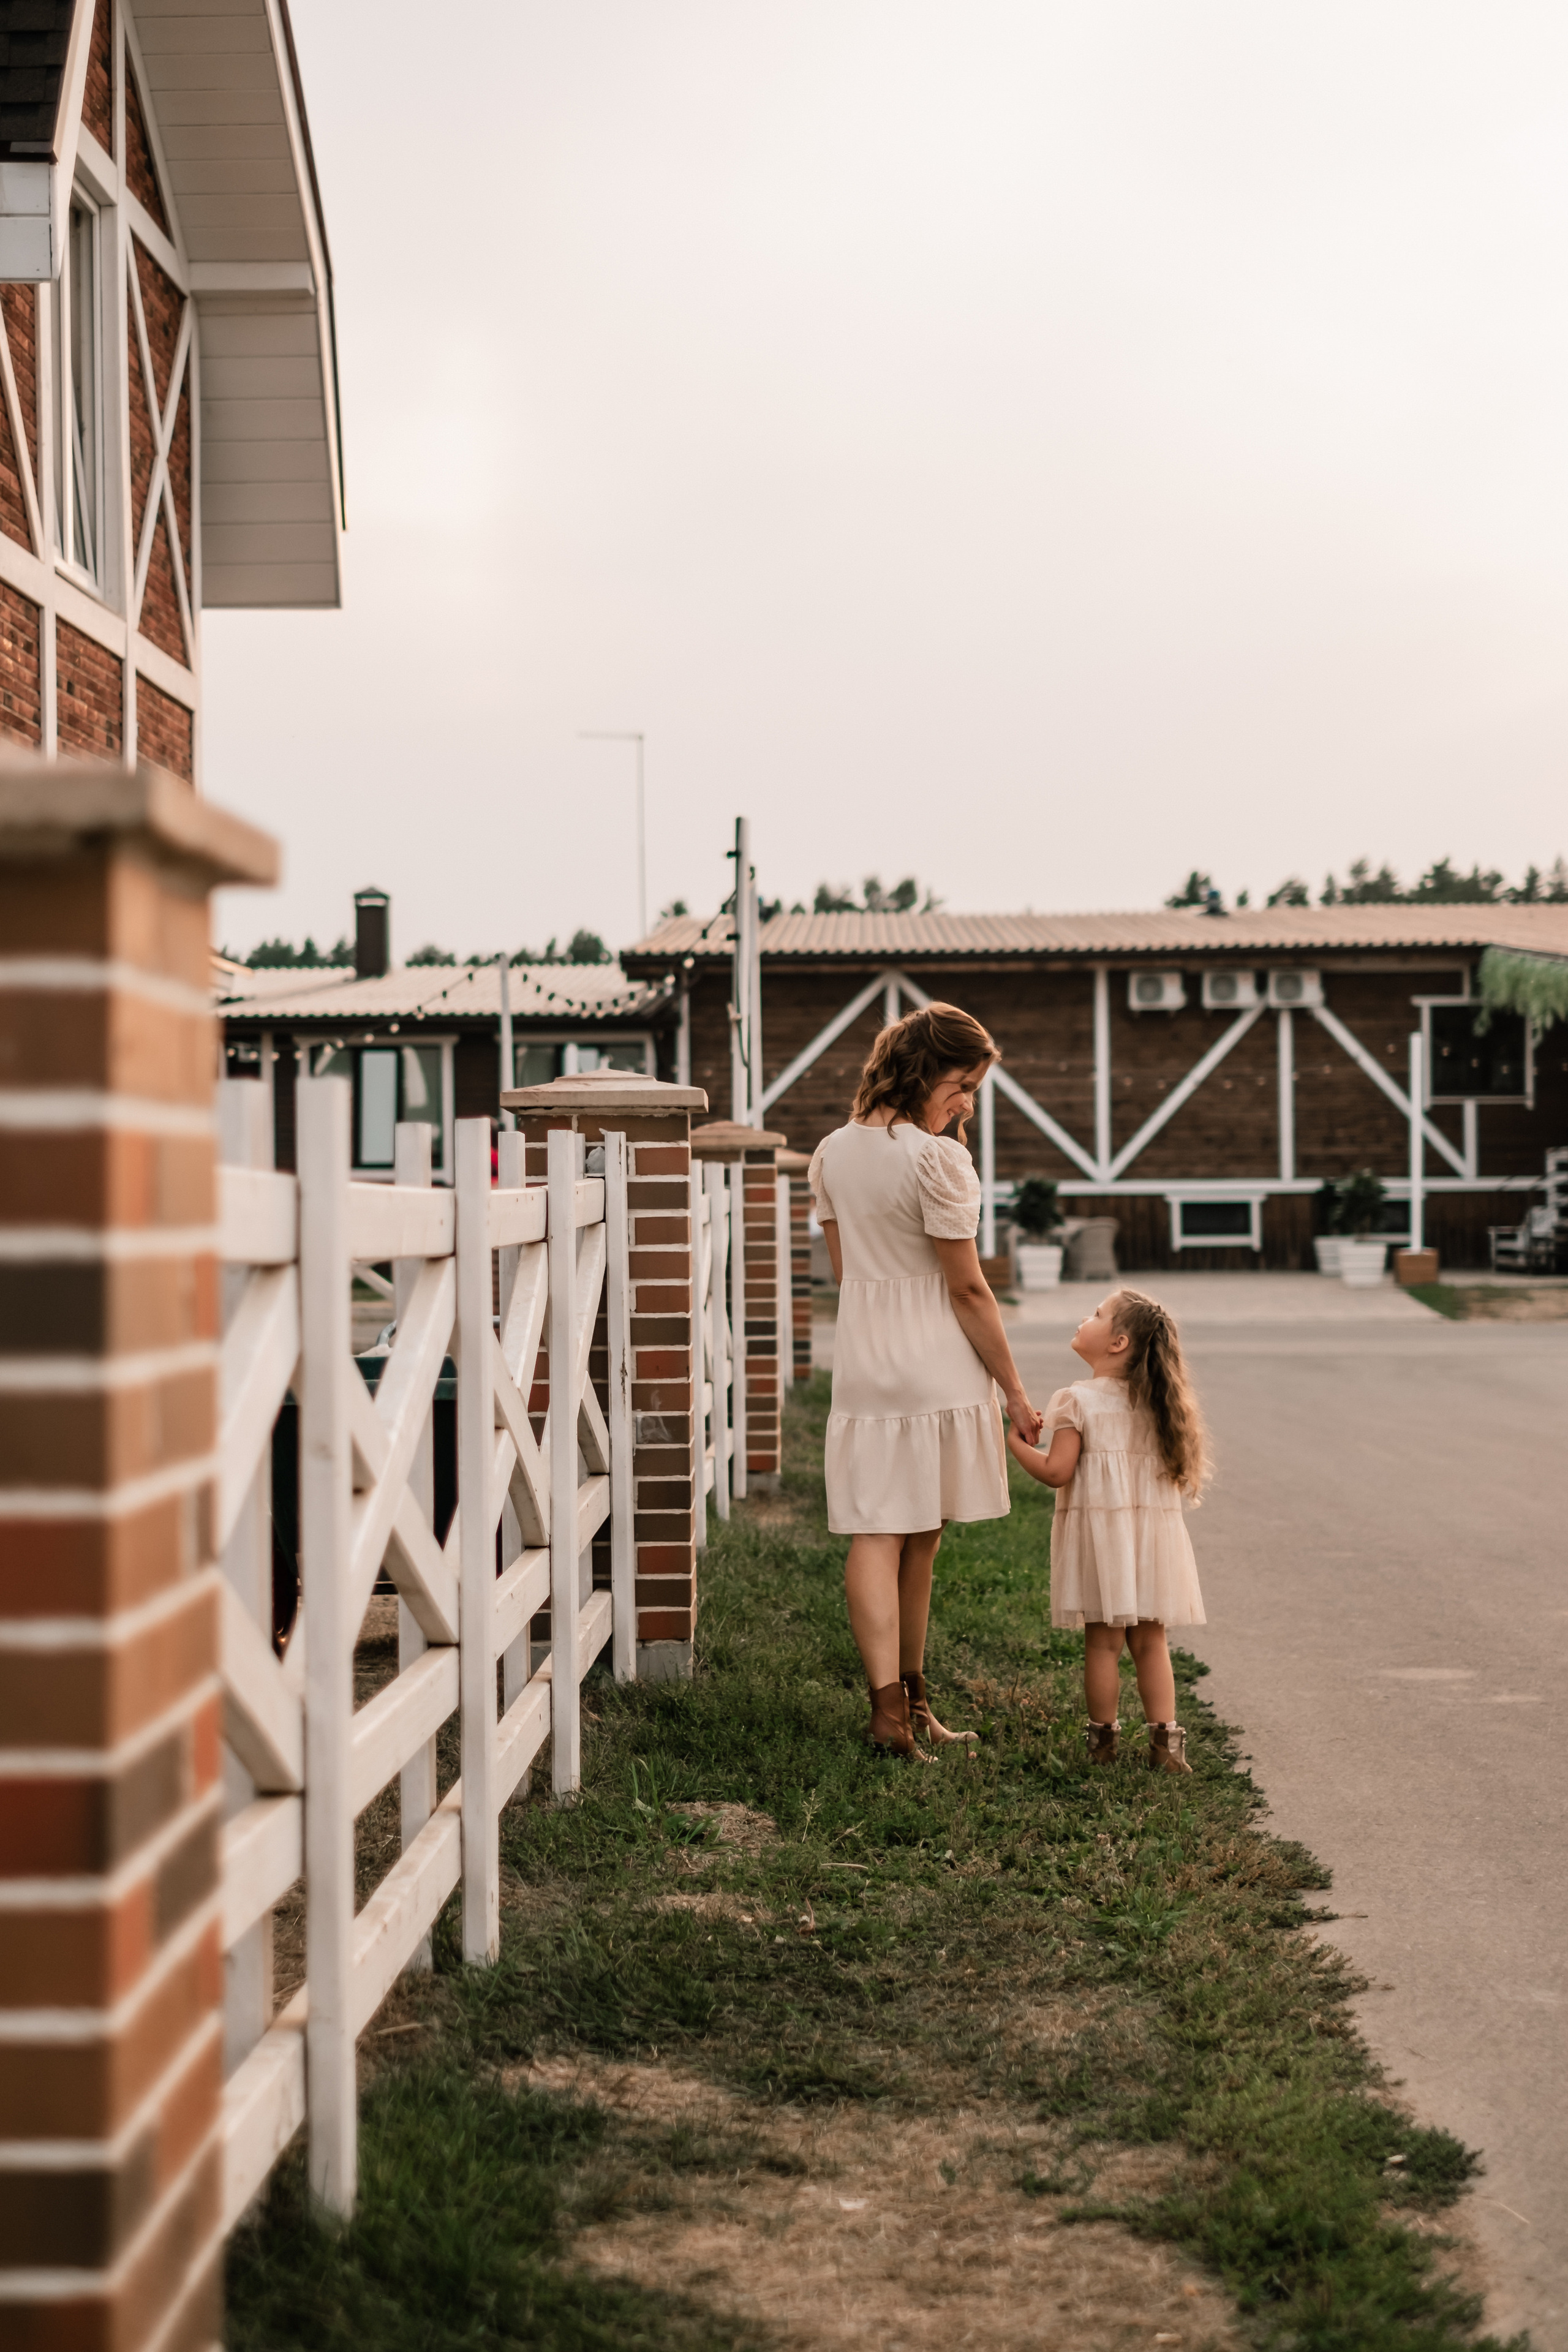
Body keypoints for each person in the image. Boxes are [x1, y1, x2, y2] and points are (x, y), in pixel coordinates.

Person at [808, 1004, 1044, 1758]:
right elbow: (967, 1289)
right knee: (913, 1538)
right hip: (933, 1364)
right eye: (963, 1085)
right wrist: (1014, 1391)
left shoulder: (830, 1153)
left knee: (884, 1532)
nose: (967, 1104)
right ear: (924, 1071)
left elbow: (846, 1273)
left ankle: (900, 1709)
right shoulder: (937, 1161)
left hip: (865, 1362)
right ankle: (899, 1711)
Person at [1006, 1289, 1208, 1773]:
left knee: (1102, 1644)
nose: (1085, 1317)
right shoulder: (1158, 1405)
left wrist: (1014, 1442)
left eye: (1097, 1314)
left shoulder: (1077, 1401)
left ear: (1118, 1343)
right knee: (1152, 1642)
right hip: (1151, 1545)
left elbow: (1056, 1472)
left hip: (1104, 1545)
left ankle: (1103, 1747)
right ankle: (1167, 1747)